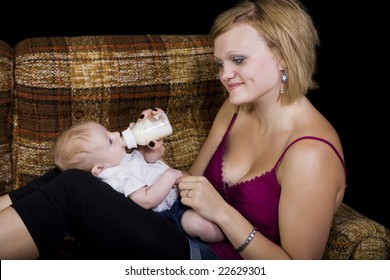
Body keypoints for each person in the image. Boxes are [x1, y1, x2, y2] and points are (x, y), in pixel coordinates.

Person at [0, 0, 346, 260]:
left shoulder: (310, 154)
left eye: (238, 60)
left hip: (209, 260)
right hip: (176, 224)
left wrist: (224, 214)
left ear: (283, 56)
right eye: (220, 64)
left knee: (74, 188)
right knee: (77, 169)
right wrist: (149, 157)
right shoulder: (237, 107)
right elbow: (188, 183)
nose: (225, 75)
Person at [51, 119, 224, 242]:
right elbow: (146, 200)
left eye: (109, 131)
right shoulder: (120, 177)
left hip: (177, 196)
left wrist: (153, 153)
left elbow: (147, 162)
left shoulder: (119, 159)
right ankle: (226, 244)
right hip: (168, 212)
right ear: (99, 169)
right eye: (110, 140)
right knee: (202, 226)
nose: (116, 133)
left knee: (210, 209)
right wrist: (170, 176)